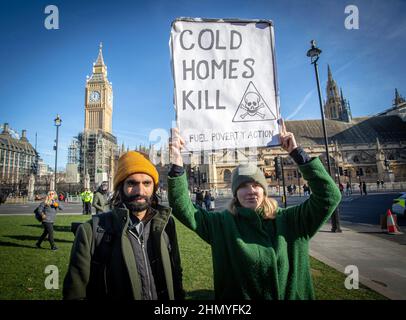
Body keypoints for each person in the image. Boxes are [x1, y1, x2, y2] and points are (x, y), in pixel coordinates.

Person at [168, 121, 341, 300]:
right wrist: (177, 163)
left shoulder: (291, 220)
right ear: (235, 193)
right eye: (243, 186)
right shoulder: (222, 224)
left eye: (256, 185)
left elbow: (329, 196)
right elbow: (182, 207)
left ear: (264, 190)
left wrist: (298, 154)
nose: (251, 191)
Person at [63, 151, 184, 300]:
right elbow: (75, 293)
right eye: (132, 183)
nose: (140, 191)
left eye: (147, 183)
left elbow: (176, 274)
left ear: (154, 187)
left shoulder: (166, 225)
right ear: (120, 187)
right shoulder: (90, 231)